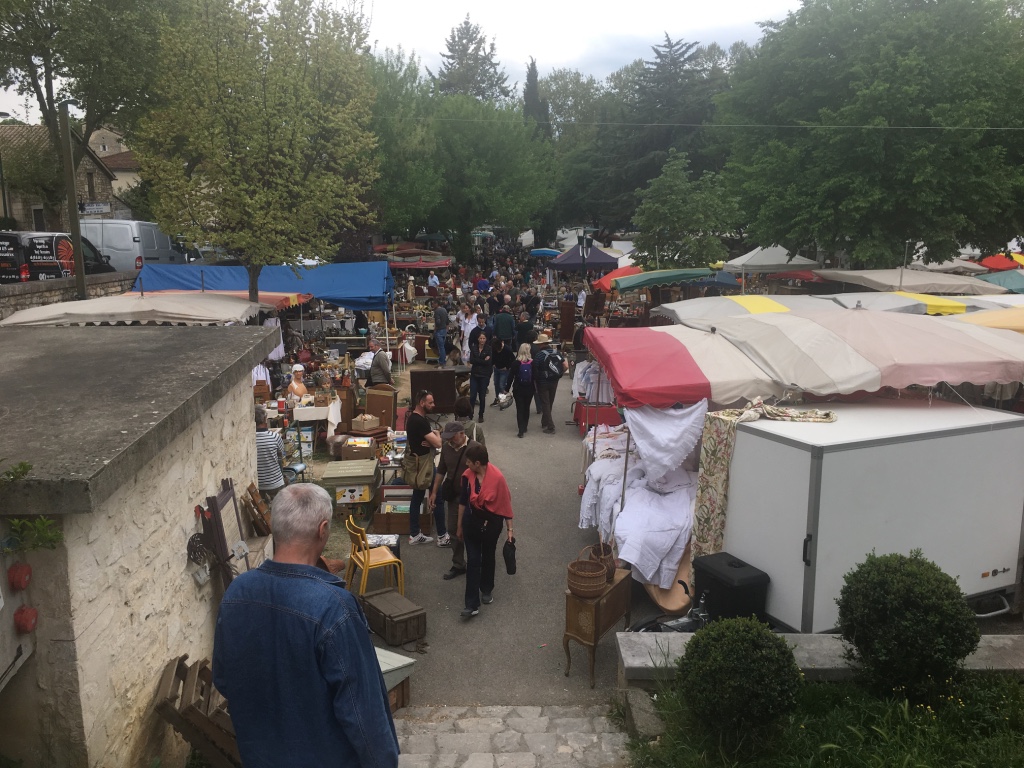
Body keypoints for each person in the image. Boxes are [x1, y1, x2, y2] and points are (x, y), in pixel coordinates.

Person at [213, 484, 399, 768]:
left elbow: (224, 678)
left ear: (275, 528)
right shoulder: (334, 607)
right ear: (323, 530)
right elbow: (364, 715)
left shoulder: (236, 593)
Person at [456, 443, 514, 618]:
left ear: (478, 463)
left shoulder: (497, 478)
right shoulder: (467, 477)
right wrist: (459, 526)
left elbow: (505, 504)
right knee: (473, 560)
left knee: (488, 555)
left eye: (469, 462)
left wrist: (510, 530)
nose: (467, 465)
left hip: (492, 524)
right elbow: (463, 502)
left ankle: (487, 588)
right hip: (471, 522)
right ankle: (471, 604)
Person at [429, 421, 480, 580]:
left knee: (472, 531)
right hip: (453, 496)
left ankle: (475, 563)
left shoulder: (475, 448)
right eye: (447, 437)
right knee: (453, 530)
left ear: (462, 433)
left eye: (452, 437)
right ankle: (458, 564)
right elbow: (441, 471)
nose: (450, 440)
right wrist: (434, 492)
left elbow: (484, 473)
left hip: (472, 498)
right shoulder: (446, 448)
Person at [405, 390, 441, 544]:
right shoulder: (419, 421)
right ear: (422, 403)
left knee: (418, 497)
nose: (433, 405)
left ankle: (415, 533)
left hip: (421, 464)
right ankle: (442, 535)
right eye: (430, 402)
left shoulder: (415, 419)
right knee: (437, 496)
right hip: (424, 466)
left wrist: (431, 439)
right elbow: (438, 443)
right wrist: (437, 435)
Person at [532, 334, 568, 434]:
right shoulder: (556, 352)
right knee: (550, 402)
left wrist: (535, 381)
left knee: (545, 403)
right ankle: (545, 421)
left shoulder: (539, 355)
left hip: (543, 382)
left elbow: (535, 369)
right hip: (554, 381)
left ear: (540, 344)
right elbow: (565, 366)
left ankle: (550, 426)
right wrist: (559, 375)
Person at [255, 406, 287, 497]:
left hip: (259, 484)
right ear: (265, 419)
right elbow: (281, 453)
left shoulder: (249, 439)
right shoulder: (274, 436)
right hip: (275, 482)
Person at [509, 343, 536, 438]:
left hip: (518, 388)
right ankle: (525, 426)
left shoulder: (516, 363)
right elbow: (535, 377)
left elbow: (510, 377)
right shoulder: (532, 363)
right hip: (529, 388)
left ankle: (520, 429)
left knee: (519, 408)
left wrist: (506, 389)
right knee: (526, 407)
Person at [468, 332, 493, 423]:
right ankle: (470, 414)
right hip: (474, 374)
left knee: (482, 396)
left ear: (486, 339)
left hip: (484, 375)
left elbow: (488, 363)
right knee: (472, 396)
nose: (482, 340)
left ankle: (481, 415)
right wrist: (482, 360)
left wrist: (478, 361)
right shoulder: (474, 348)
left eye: (483, 338)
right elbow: (471, 360)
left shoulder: (489, 349)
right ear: (478, 339)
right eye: (480, 338)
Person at [490, 338, 515, 404]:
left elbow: (513, 360)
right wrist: (493, 364)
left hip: (504, 370)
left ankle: (503, 401)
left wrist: (507, 367)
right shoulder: (494, 349)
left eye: (499, 350)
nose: (498, 351)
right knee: (496, 384)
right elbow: (492, 357)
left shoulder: (507, 350)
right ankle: (497, 398)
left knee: (502, 385)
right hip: (496, 369)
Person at [432, 299, 449, 368]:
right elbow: (447, 320)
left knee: (440, 347)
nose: (432, 305)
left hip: (439, 330)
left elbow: (438, 322)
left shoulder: (437, 311)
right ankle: (442, 361)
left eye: (433, 304)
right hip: (444, 330)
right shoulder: (444, 310)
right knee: (442, 347)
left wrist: (435, 329)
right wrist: (447, 328)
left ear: (436, 304)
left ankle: (442, 362)